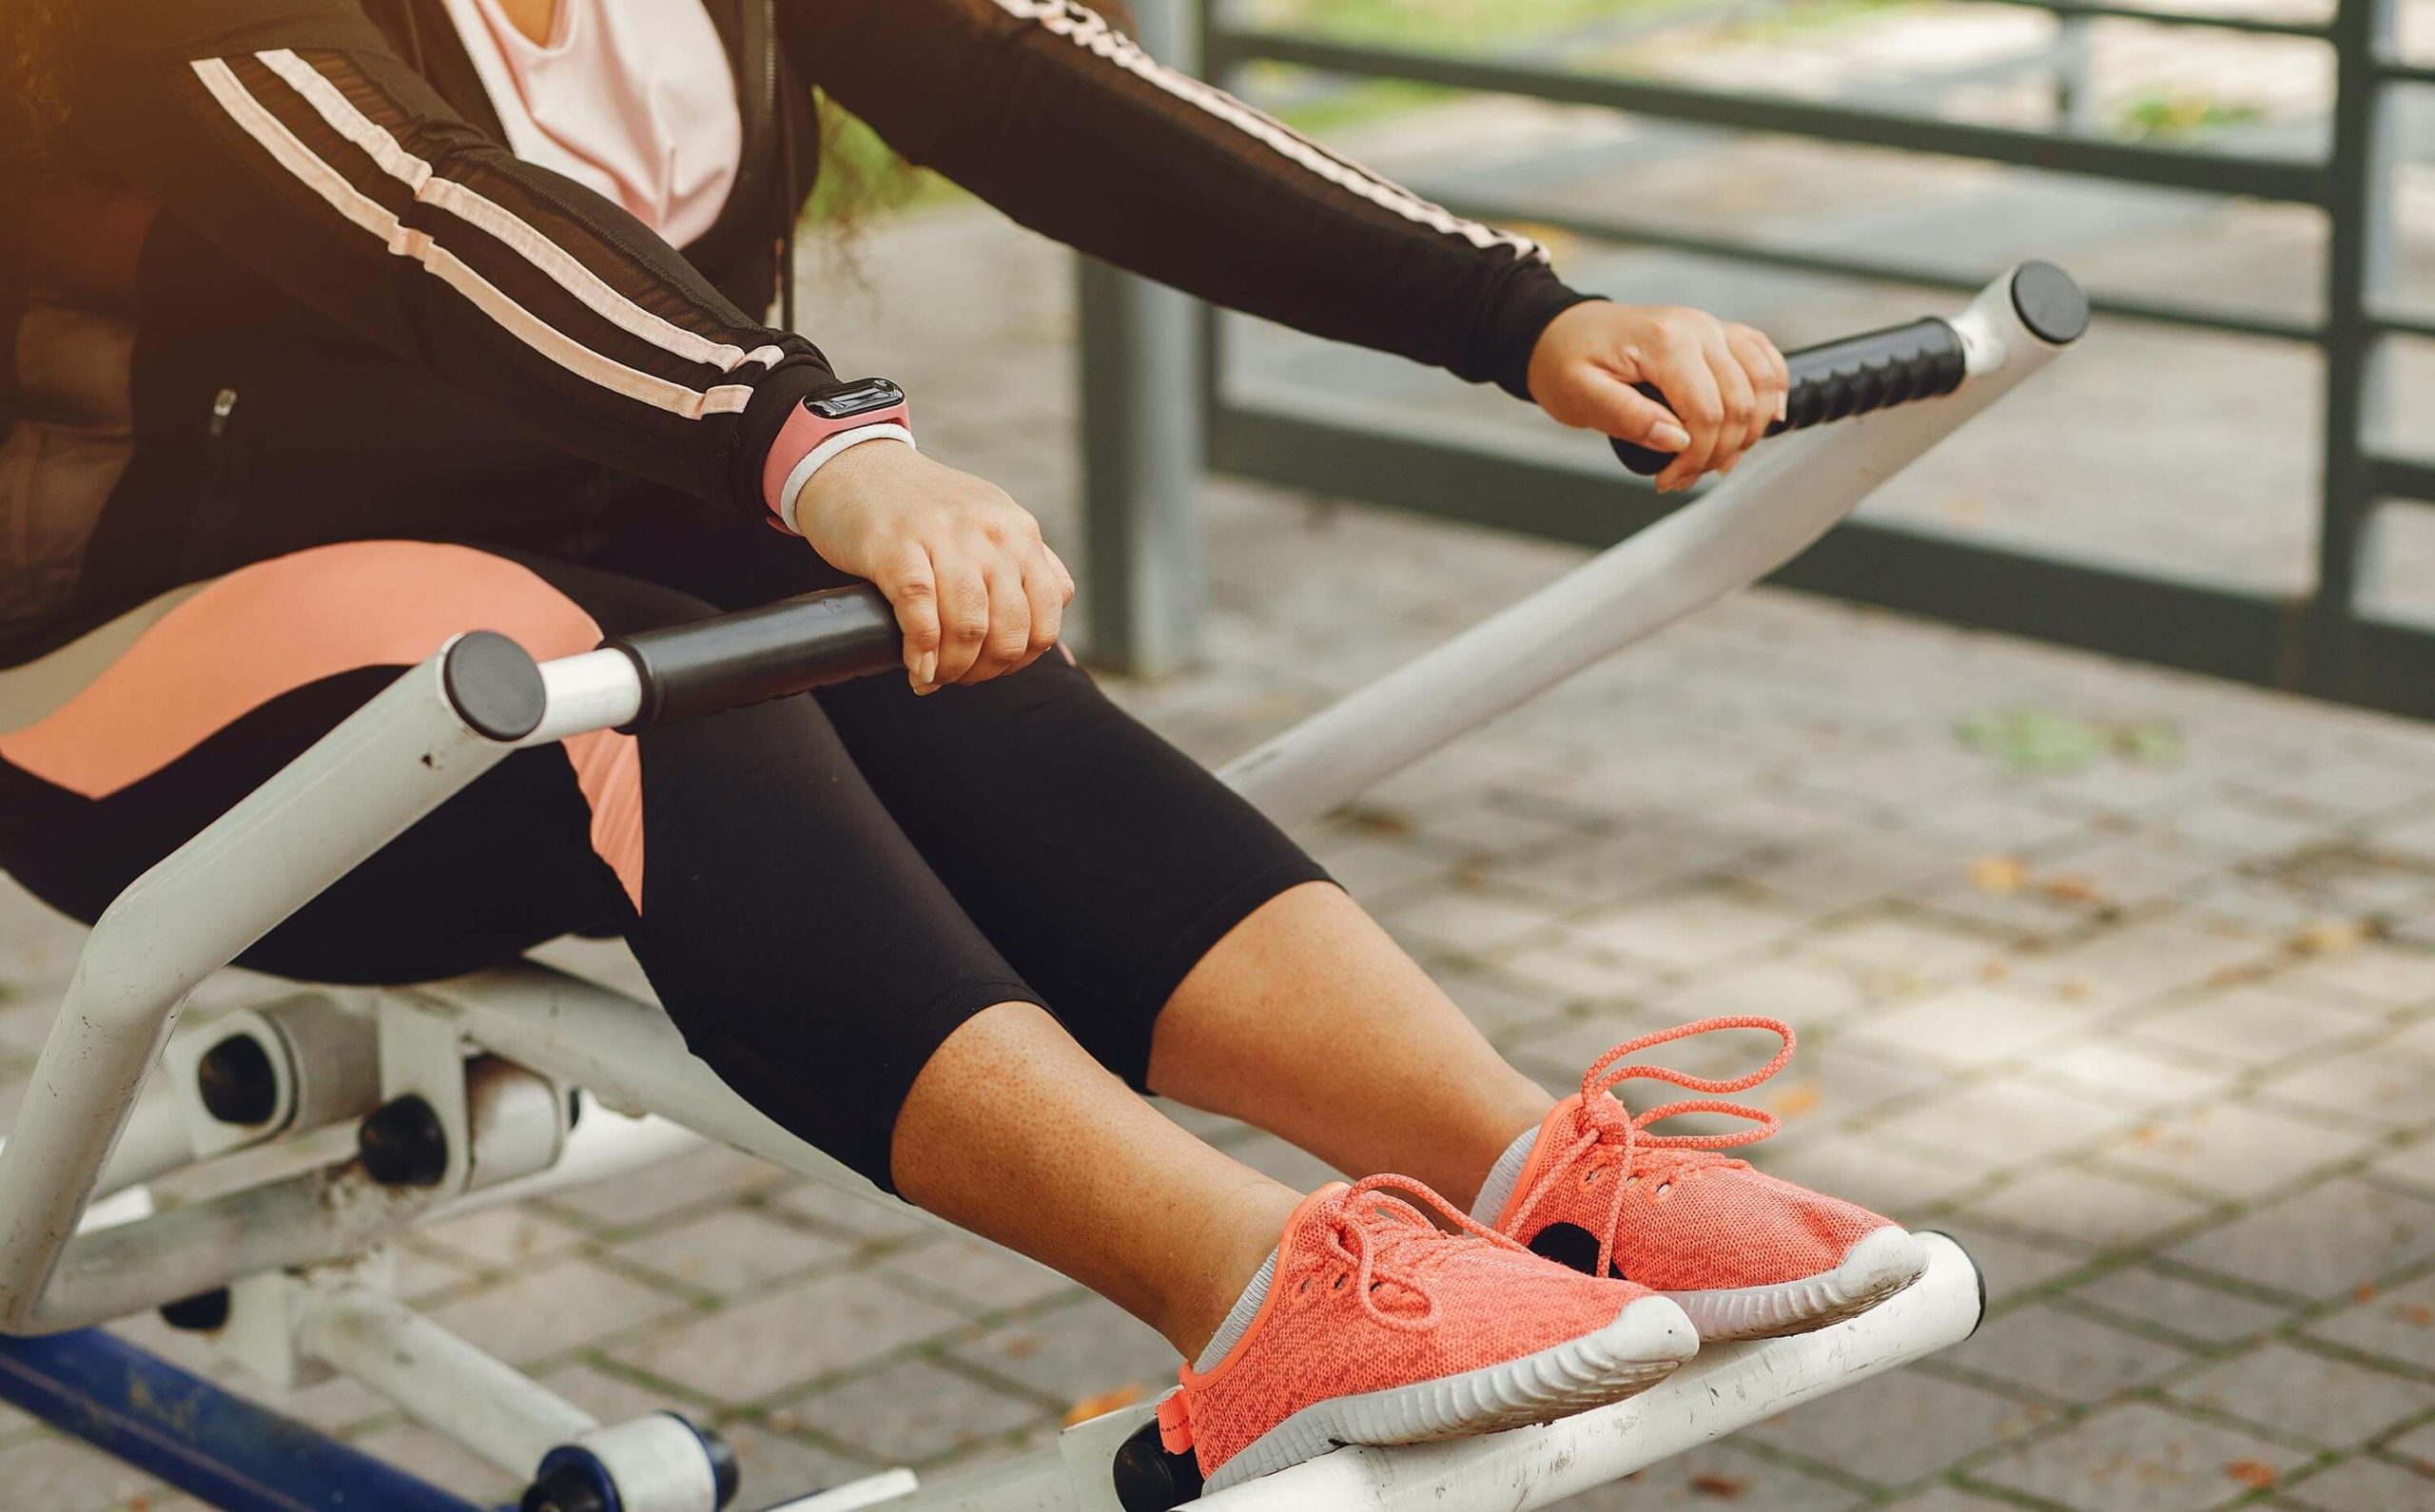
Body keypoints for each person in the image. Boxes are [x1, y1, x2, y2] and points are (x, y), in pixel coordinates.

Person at [0, 0, 1921, 1490]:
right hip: (125, 655)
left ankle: (1525, 1166)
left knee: (897, 648)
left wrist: (1516, 310)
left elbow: (1040, 84)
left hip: (558, 561)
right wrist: (822, 447)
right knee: (637, 676)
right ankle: (1252, 1292)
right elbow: (428, 220)